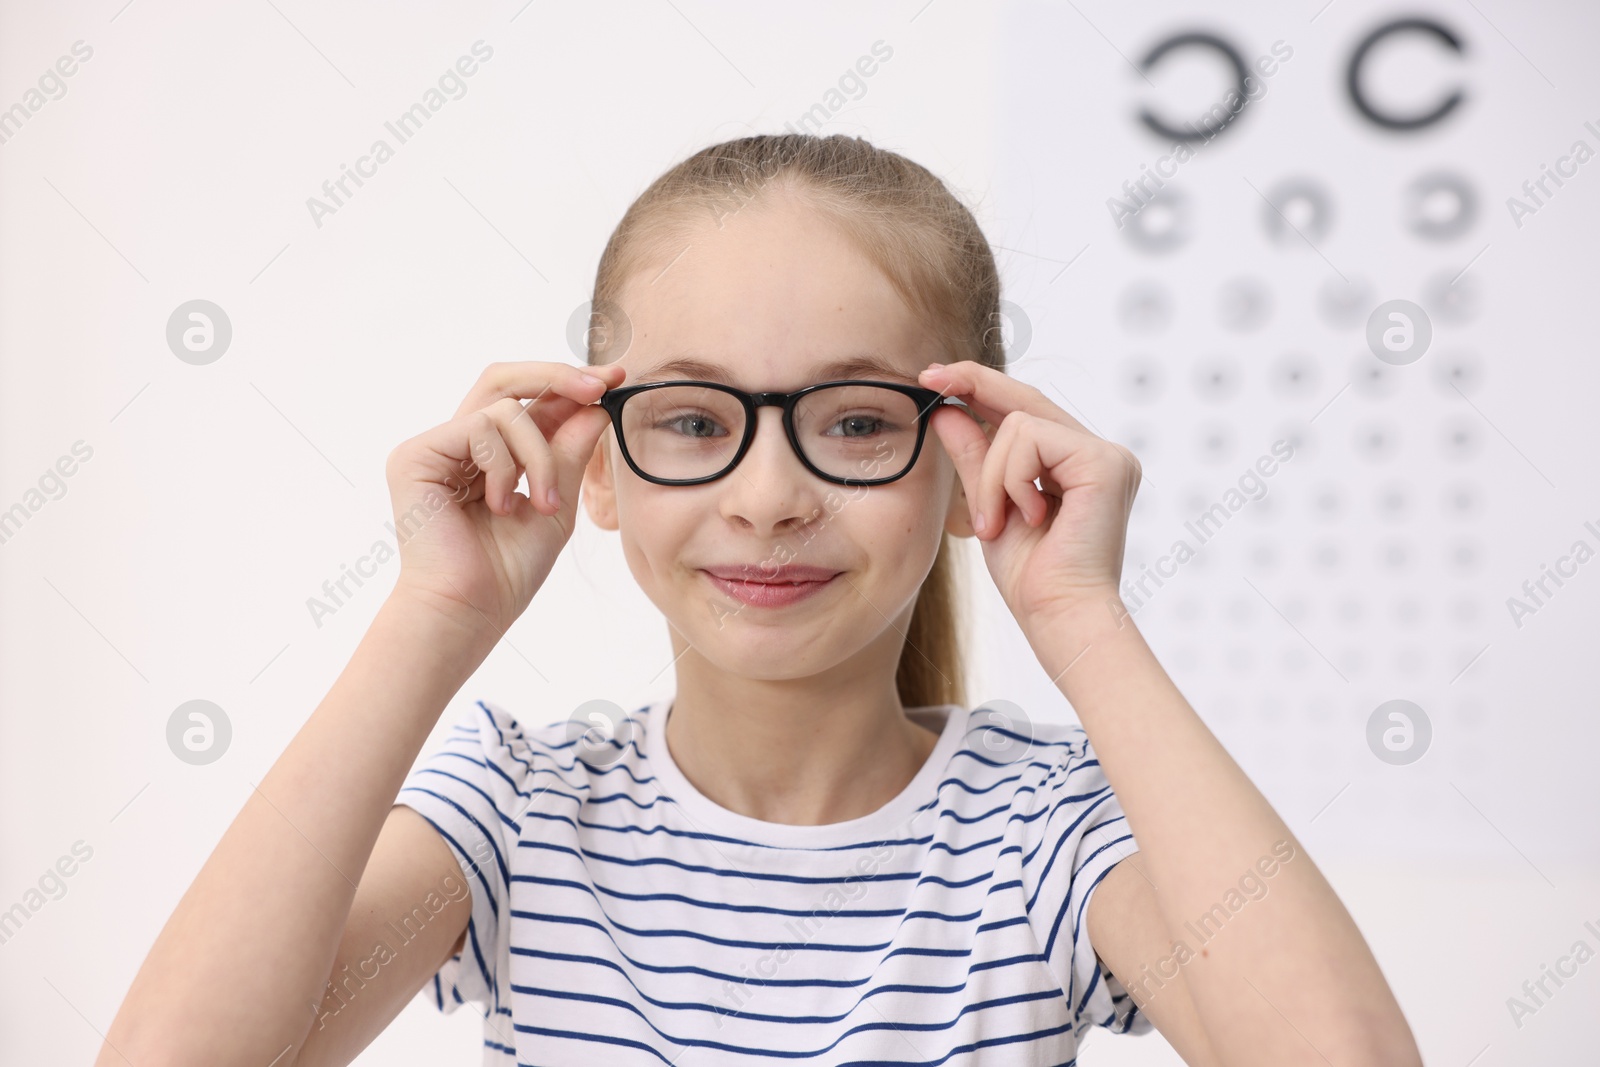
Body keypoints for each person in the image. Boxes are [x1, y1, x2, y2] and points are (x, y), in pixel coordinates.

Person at [98, 133, 1421, 1066]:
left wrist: (1083, 620)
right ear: (600, 462)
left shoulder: (1046, 835)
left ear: (966, 462)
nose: (770, 494)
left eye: (854, 423)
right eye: (691, 419)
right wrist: (434, 616)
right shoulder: (521, 812)